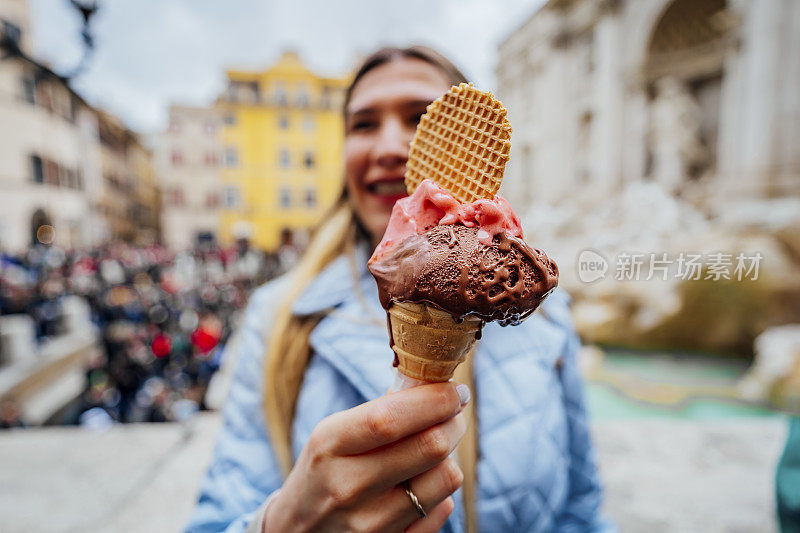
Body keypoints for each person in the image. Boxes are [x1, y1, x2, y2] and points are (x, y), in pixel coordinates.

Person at [186, 46, 612, 533]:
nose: (391, 146)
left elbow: (582, 510)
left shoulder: (547, 316)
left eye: (418, 117)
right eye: (363, 124)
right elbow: (213, 518)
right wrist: (280, 525)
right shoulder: (276, 316)